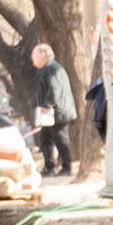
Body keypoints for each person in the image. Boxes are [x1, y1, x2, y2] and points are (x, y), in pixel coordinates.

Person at [28, 42, 76, 176]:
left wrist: (46, 105)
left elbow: (54, 89)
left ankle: (67, 167)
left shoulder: (51, 68)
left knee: (61, 139)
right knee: (45, 139)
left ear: (43, 54)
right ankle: (50, 167)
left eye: (34, 56)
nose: (33, 60)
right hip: (51, 113)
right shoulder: (47, 68)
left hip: (57, 112)